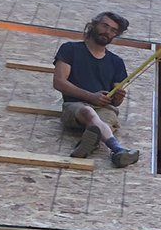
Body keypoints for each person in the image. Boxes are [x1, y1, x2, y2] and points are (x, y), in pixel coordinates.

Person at [53, 12, 141, 167]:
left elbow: (116, 102)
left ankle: (87, 144)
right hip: (74, 106)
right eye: (105, 26)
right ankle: (117, 149)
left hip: (105, 109)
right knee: (88, 112)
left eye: (113, 30)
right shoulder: (70, 49)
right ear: (94, 25)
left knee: (99, 124)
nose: (107, 32)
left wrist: (118, 96)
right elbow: (59, 82)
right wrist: (91, 97)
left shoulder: (117, 62)